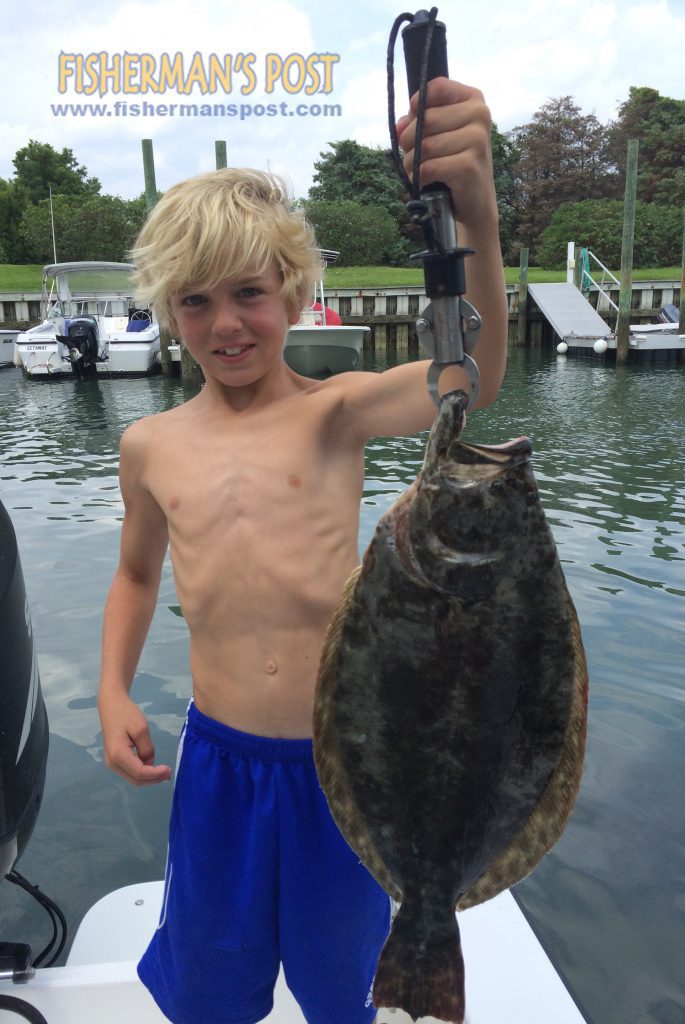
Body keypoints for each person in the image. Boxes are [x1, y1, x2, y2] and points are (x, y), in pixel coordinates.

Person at [98, 77, 508, 1024]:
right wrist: (115, 689)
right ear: (168, 311)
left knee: (344, 984)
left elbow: (472, 373)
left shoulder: (337, 414)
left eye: (249, 294)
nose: (227, 324)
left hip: (348, 763)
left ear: (294, 292)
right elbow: (133, 572)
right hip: (219, 763)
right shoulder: (150, 446)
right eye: (195, 302)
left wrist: (475, 214)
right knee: (212, 985)